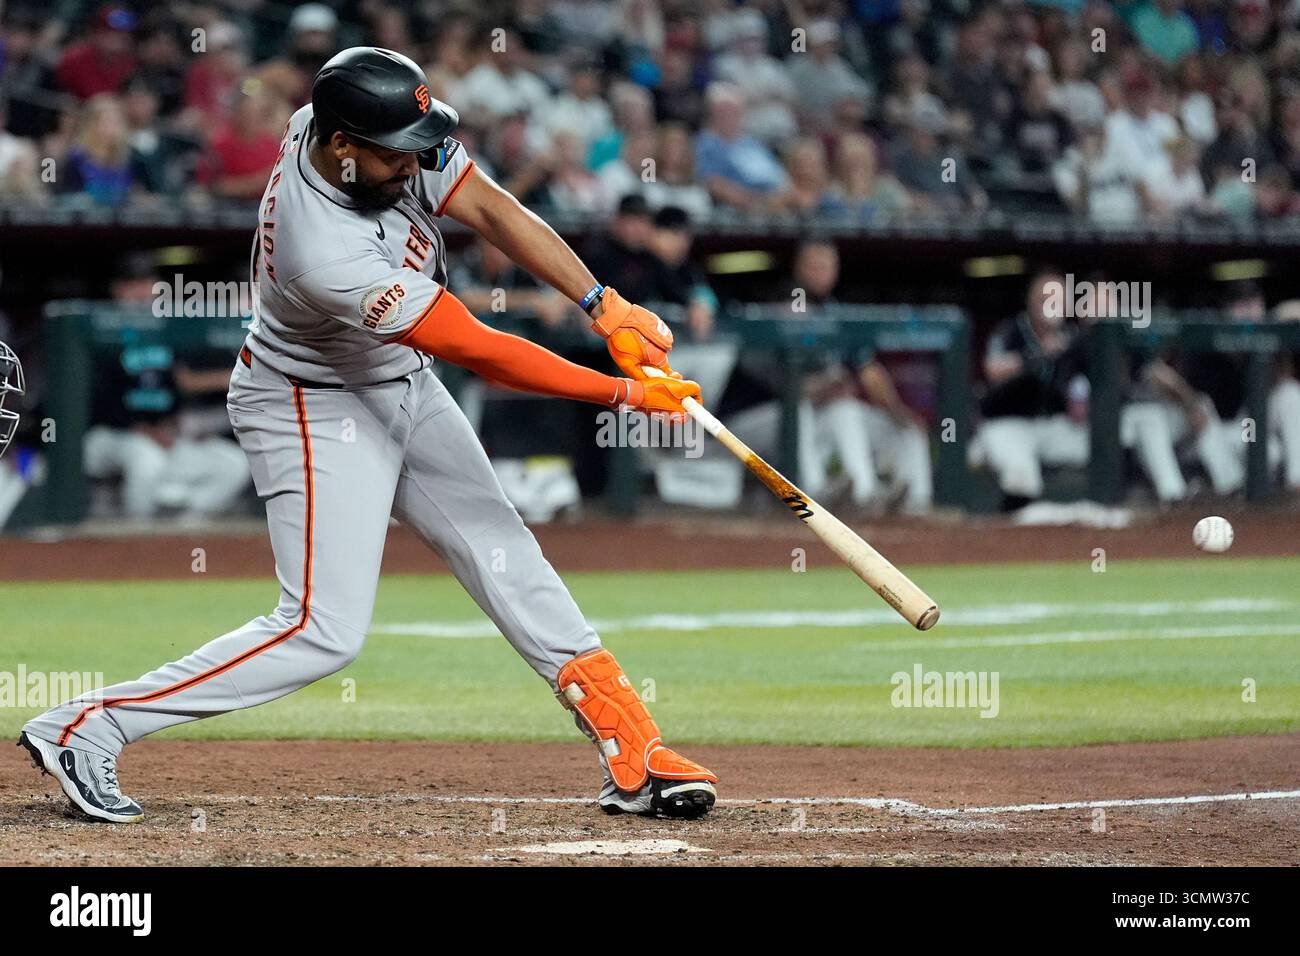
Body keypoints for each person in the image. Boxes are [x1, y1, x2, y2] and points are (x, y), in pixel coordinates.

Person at [19, 48, 717, 824]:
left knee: (502, 545)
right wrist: (621, 391)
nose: (418, 161)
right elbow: (478, 348)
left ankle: (631, 742)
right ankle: (87, 726)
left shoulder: (359, 135)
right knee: (323, 630)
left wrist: (600, 301)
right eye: (398, 150)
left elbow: (489, 205)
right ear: (342, 146)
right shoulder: (322, 247)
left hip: (396, 379)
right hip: (312, 402)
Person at [971, 271, 1089, 510]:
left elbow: (1084, 383)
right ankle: (981, 450)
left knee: (1104, 449)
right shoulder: (1012, 329)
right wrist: (1036, 355)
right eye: (1047, 298)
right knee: (1022, 479)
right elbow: (993, 369)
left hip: (1053, 426)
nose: (1054, 305)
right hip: (1007, 423)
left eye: (1060, 299)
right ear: (1032, 302)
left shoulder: (1073, 338)